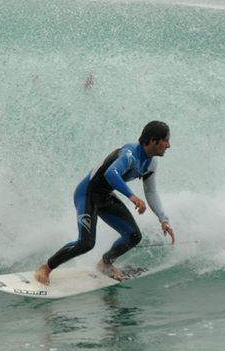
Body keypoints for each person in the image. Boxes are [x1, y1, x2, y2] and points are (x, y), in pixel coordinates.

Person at [34, 121, 175, 285]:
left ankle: (105, 263)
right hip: (87, 194)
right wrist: (131, 196)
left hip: (105, 197)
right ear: (152, 140)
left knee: (133, 236)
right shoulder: (129, 154)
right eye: (165, 140)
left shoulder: (151, 163)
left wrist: (163, 219)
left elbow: (150, 191)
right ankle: (46, 268)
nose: (169, 145)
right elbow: (111, 173)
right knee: (86, 243)